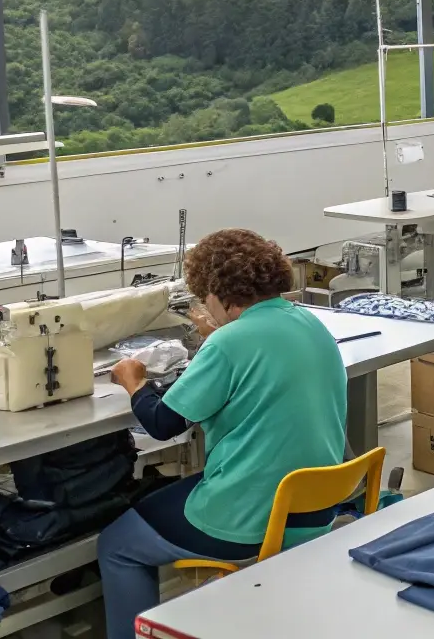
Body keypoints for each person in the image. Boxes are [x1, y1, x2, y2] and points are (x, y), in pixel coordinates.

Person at [98, 229, 346, 639]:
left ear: (216, 293)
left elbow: (162, 424)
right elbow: (259, 365)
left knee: (116, 544)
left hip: (254, 516)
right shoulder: (307, 320)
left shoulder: (230, 342)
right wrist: (219, 337)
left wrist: (134, 380)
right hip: (315, 504)